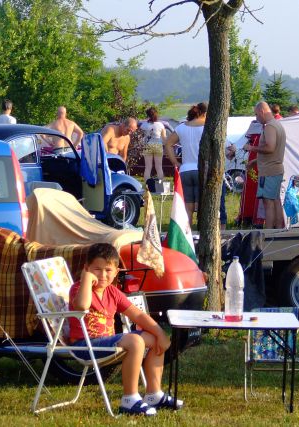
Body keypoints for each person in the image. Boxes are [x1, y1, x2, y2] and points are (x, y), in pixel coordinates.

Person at [69, 243, 182, 415]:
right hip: (84, 346)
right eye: (96, 269)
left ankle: (153, 394)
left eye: (108, 270)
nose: (103, 275)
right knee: (136, 341)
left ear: (116, 272)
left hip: (106, 343)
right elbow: (82, 305)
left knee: (153, 339)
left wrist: (160, 333)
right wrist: (85, 279)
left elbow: (137, 315)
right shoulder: (79, 288)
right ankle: (129, 399)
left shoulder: (113, 292)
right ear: (87, 268)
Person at [243, 101, 287, 229]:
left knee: (268, 203)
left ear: (262, 112)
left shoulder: (270, 127)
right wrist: (254, 162)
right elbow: (273, 152)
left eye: (256, 115)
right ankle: (278, 229)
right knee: (276, 200)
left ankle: (268, 233)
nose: (256, 118)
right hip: (275, 168)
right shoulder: (277, 125)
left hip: (269, 171)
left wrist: (251, 147)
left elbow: (270, 148)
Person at [165, 103, 207, 227]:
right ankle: (201, 231)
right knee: (201, 204)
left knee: (188, 205)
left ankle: (188, 231)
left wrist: (175, 162)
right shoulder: (206, 127)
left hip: (185, 170)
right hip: (201, 169)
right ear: (204, 114)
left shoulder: (182, 127)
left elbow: (168, 144)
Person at [139, 107, 167, 182]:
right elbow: (164, 138)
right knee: (159, 167)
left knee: (148, 167)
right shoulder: (161, 125)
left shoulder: (143, 125)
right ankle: (160, 185)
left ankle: (147, 187)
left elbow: (140, 136)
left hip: (147, 145)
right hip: (158, 145)